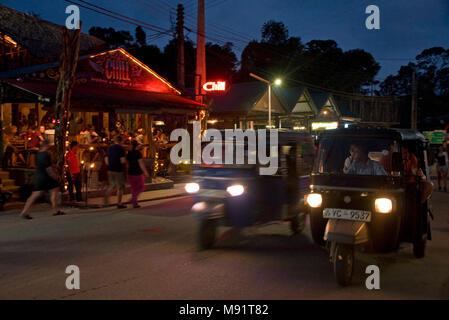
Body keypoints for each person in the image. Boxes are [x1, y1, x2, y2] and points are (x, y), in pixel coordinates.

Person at [20, 139, 65, 219]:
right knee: (55, 190)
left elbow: (43, 164)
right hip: (46, 177)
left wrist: (53, 166)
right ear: (47, 145)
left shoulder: (38, 154)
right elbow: (48, 168)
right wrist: (54, 175)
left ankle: (24, 211)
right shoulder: (46, 154)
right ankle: (55, 210)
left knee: (35, 194)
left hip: (39, 176)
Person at [104, 135, 127, 209]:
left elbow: (106, 159)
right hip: (118, 170)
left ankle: (106, 200)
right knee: (120, 187)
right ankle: (119, 203)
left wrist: (109, 165)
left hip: (110, 169)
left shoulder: (110, 148)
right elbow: (122, 160)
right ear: (121, 141)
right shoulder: (121, 149)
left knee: (111, 185)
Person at [127, 140, 149, 208]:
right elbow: (141, 163)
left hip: (130, 172)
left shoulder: (129, 153)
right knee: (141, 187)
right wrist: (145, 172)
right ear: (137, 146)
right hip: (138, 172)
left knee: (134, 188)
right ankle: (133, 199)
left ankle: (135, 202)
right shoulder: (138, 153)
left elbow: (127, 163)